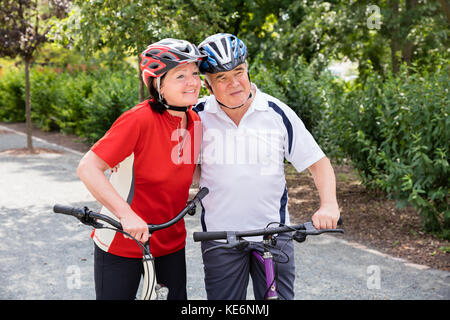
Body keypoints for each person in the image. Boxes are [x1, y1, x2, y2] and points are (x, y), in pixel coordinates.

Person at [193, 33, 340, 300]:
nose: (234, 83)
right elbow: (181, 170)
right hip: (219, 237)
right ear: (207, 84)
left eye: (238, 72)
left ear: (247, 69)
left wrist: (329, 204)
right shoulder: (196, 116)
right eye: (222, 78)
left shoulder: (276, 112)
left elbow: (319, 163)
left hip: (274, 233)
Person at [76, 38, 205, 300]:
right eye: (180, 76)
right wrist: (126, 215)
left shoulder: (195, 120)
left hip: (170, 240)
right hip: (122, 241)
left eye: (195, 73)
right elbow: (88, 167)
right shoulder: (138, 120)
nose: (192, 82)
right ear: (157, 83)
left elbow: (185, 172)